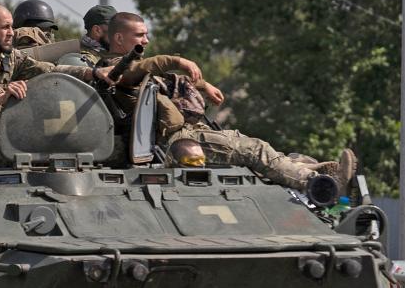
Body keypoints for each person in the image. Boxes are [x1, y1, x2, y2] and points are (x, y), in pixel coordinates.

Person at [103, 12, 356, 191]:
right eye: (139, 35)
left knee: (251, 145)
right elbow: (133, 74)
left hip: (187, 131)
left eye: (146, 35)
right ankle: (322, 186)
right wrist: (176, 60)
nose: (145, 41)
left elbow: (165, 78)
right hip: (173, 141)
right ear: (119, 39)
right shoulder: (110, 69)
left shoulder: (137, 66)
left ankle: (318, 171)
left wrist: (203, 85)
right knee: (253, 150)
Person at [0, 2, 112, 169]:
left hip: (0, 139)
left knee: (53, 156)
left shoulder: (9, 57)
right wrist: (0, 94)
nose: (12, 32)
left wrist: (92, 73)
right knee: (9, 158)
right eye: (5, 27)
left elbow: (49, 70)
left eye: (11, 26)